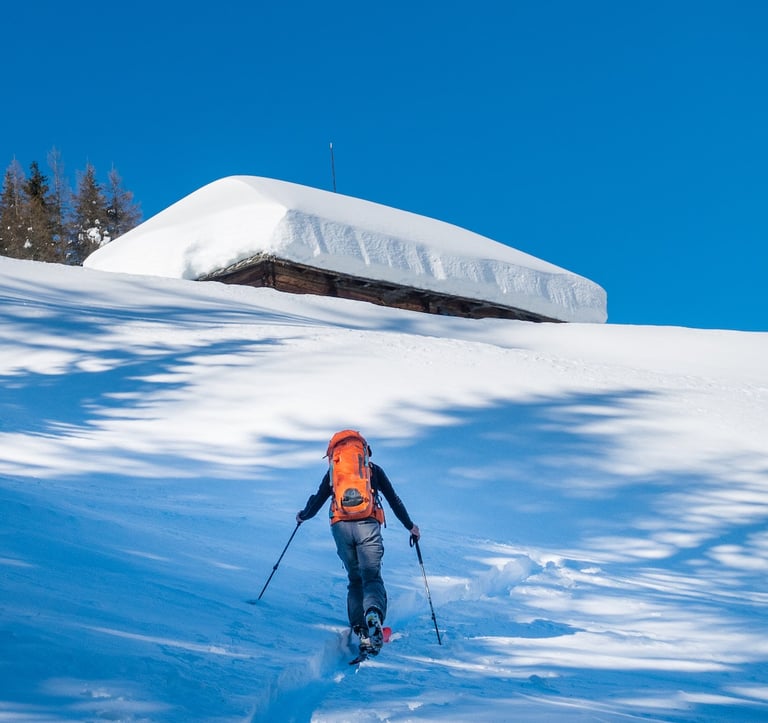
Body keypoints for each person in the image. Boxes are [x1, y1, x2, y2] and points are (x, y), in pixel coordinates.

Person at [296, 430, 420, 658]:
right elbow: (394, 500)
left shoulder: (335, 473)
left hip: (340, 527)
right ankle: (373, 614)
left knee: (355, 579)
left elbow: (318, 499)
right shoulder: (372, 471)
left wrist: (303, 516)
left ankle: (361, 630)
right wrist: (410, 526)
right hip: (368, 524)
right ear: (364, 451)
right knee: (371, 577)